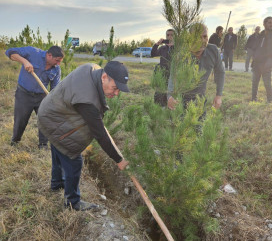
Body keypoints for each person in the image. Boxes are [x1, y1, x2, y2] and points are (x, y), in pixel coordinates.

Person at [38, 61, 130, 211]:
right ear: (104, 77)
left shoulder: (92, 68)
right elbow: (100, 134)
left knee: (58, 148)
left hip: (50, 112)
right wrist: (119, 159)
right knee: (74, 160)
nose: (116, 93)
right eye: (115, 88)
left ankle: (56, 184)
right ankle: (72, 202)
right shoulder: (88, 100)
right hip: (53, 120)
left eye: (119, 90)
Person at [5, 46, 64, 149]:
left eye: (60, 61)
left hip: (41, 96)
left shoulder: (56, 70)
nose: (58, 63)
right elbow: (10, 52)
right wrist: (25, 61)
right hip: (24, 94)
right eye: (57, 60)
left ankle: (43, 145)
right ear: (49, 55)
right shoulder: (33, 52)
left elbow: (55, 88)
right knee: (21, 119)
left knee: (45, 119)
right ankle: (15, 141)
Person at [167, 23, 225, 112]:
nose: (202, 40)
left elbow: (220, 72)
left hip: (200, 98)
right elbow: (173, 77)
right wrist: (169, 96)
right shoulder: (181, 55)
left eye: (205, 36)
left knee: (200, 123)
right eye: (197, 37)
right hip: (180, 99)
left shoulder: (213, 51)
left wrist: (219, 95)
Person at [252, 16, 272, 104]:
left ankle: (269, 101)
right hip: (257, 63)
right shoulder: (261, 34)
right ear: (264, 24)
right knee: (255, 82)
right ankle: (253, 99)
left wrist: (270, 62)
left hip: (266, 63)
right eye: (269, 22)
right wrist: (254, 58)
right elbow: (256, 47)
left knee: (267, 83)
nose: (271, 24)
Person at [151, 29, 174, 106]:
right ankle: (160, 109)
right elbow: (153, 54)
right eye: (168, 35)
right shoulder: (163, 48)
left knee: (171, 95)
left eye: (171, 35)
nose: (169, 37)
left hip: (173, 76)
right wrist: (157, 44)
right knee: (159, 95)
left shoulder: (177, 48)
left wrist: (174, 45)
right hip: (163, 75)